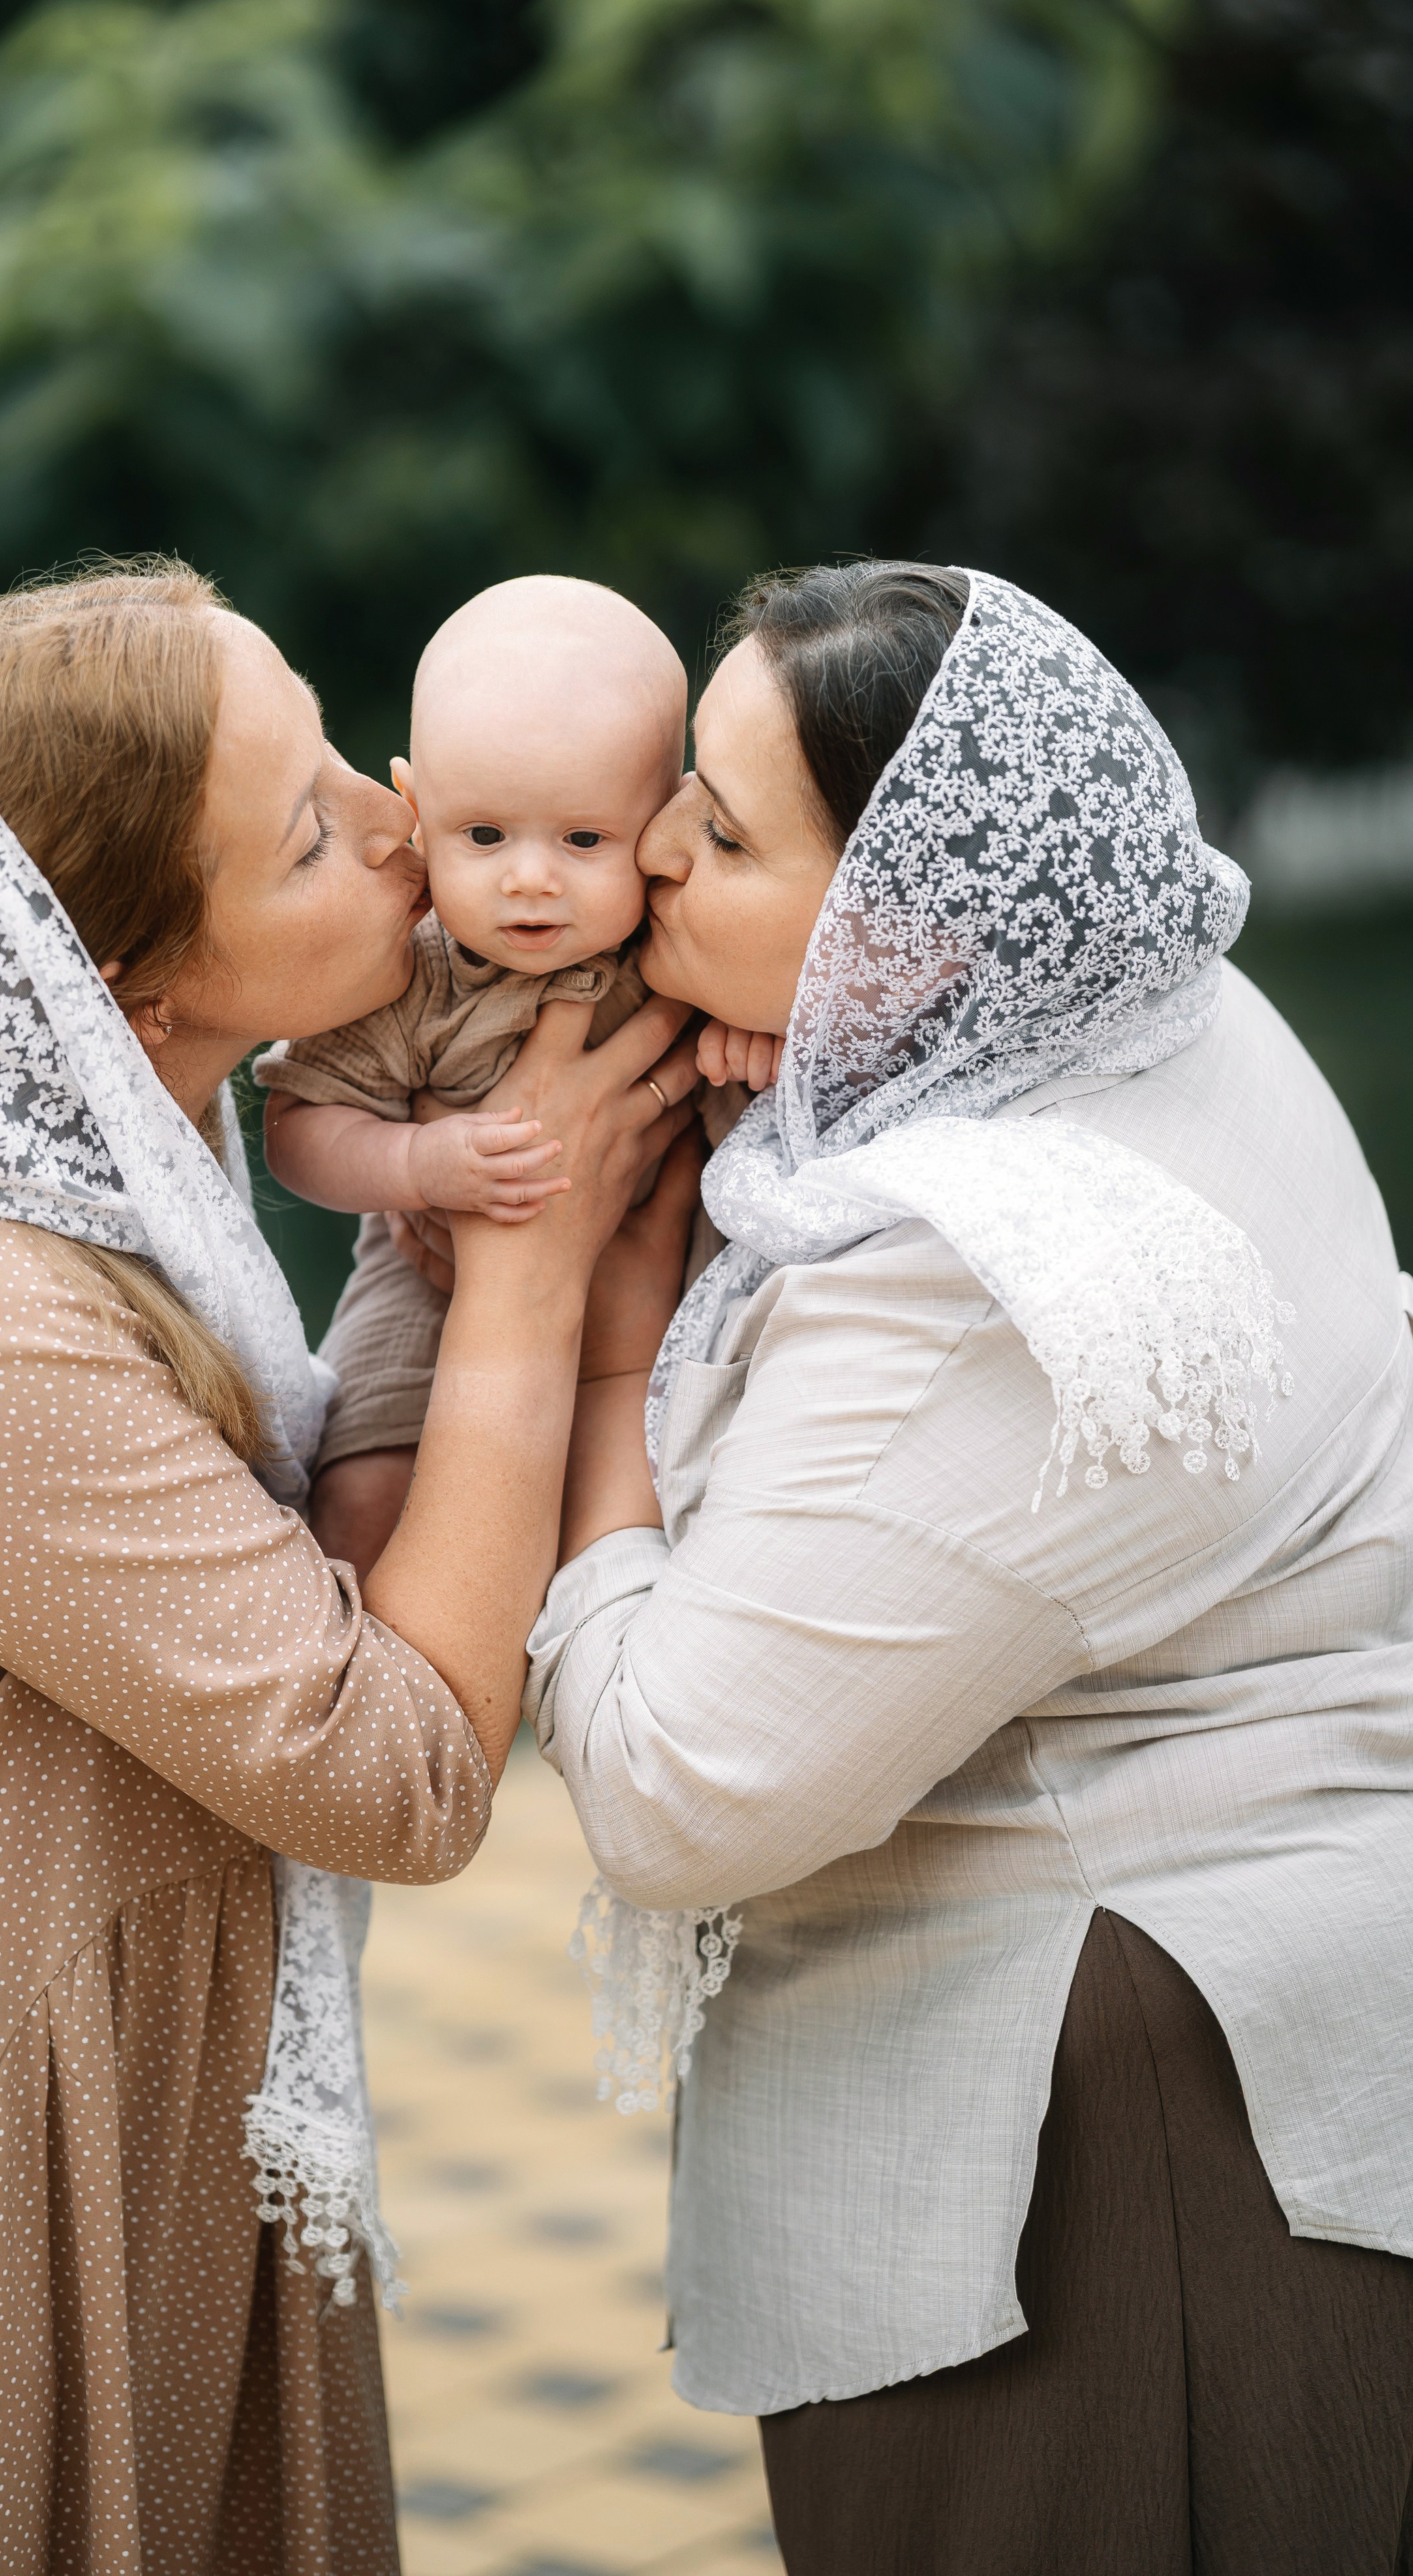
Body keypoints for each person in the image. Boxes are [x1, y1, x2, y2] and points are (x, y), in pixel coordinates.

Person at [0, 559, 701, 2576]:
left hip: (106, 2090)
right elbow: (395, 1771)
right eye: (312, 823)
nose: (400, 818)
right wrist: (537, 1259)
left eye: (332, 738)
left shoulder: (53, 1124)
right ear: (133, 979)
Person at [522, 561, 1413, 2573]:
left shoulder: (982, 1283)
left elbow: (681, 1789)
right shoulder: (1141, 1000)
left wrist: (595, 1346)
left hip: (1108, 2167)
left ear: (911, 944)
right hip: (1274, 2028)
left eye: (725, 836)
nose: (650, 851)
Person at [256, 573, 753, 1579]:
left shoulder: (680, 944)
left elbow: (773, 1004)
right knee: (365, 1492)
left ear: (661, 823)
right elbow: (298, 1125)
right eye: (483, 837)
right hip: (432, 1281)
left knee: (702, 1505)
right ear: (415, 807)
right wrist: (417, 1163)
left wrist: (759, 1042)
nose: (530, 879)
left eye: (583, 840)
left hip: (673, 1303)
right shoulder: (412, 972)